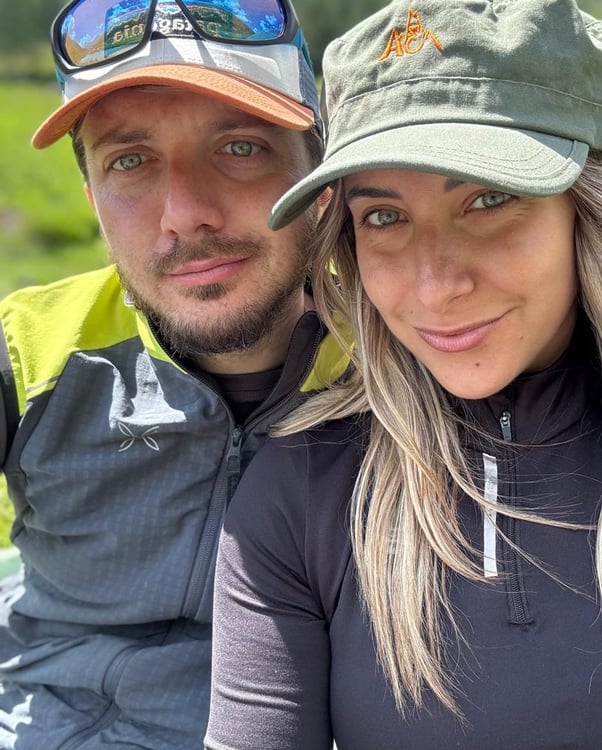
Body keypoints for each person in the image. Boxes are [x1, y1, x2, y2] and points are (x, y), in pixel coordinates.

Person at [206, 0, 602, 748]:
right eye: (384, 217)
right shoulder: (301, 492)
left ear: (592, 211)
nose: (436, 285)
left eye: (489, 199)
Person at [0, 0, 349, 747]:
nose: (185, 213)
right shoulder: (29, 351)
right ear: (93, 198)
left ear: (319, 174)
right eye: (129, 161)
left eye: (241, 148)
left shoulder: (408, 367)